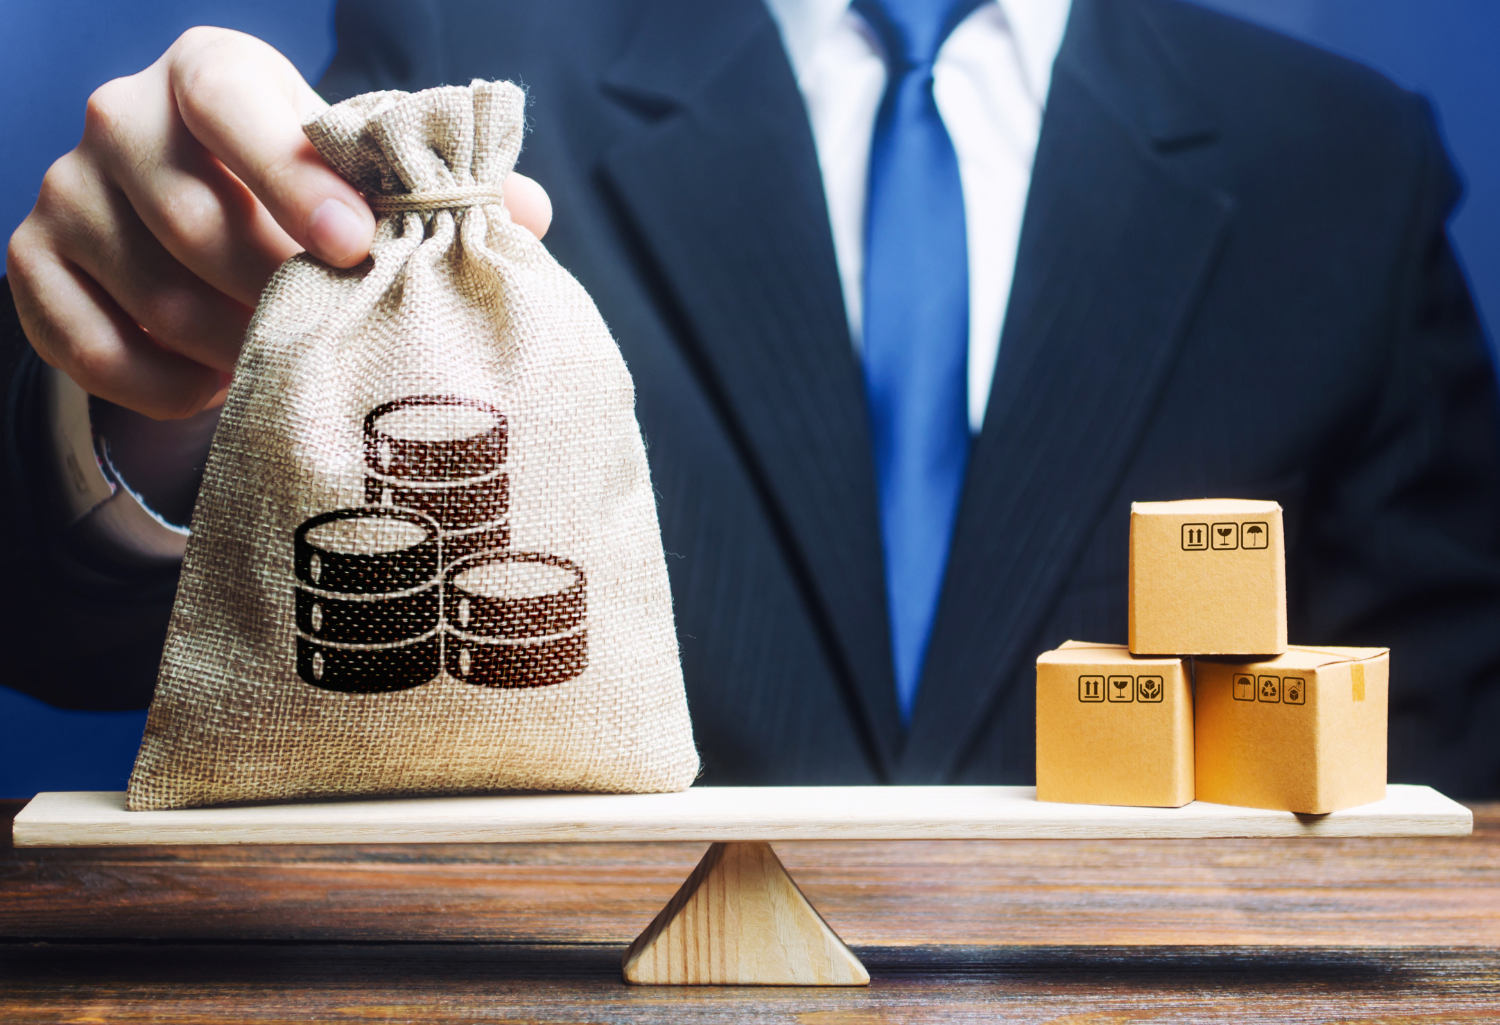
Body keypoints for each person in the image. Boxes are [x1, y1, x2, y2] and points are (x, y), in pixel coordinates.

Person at [4, 0, 1500, 793]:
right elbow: (51, 623)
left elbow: (1453, 754)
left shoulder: (1342, 160)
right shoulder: (473, 50)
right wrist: (153, 389)